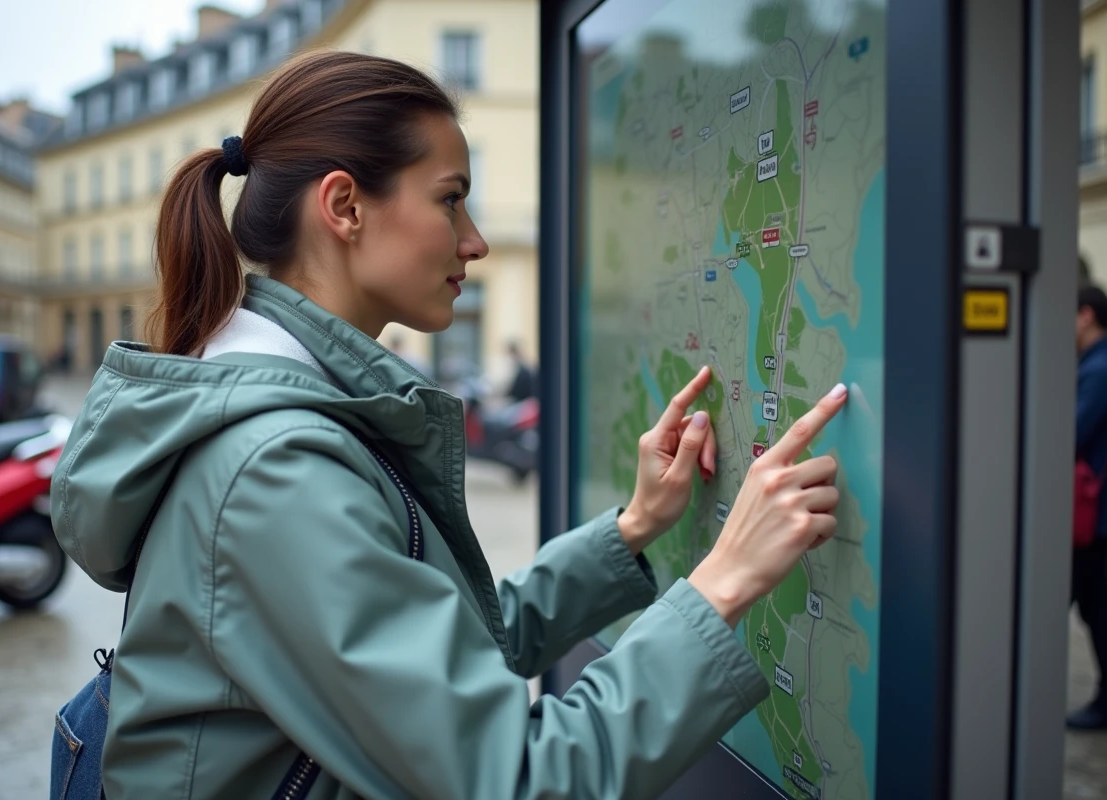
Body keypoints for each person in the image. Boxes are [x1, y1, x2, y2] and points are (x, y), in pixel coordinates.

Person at [51, 50, 848, 799]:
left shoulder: (297, 414)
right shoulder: (273, 468)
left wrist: (634, 527)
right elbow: (516, 777)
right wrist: (726, 580)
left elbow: (451, 650)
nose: (475, 241)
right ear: (344, 206)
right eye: (449, 198)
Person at [1070, 282, 1107, 730]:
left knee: (1098, 609)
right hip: (1092, 516)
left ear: (1085, 315)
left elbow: (1070, 433)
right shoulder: (1092, 365)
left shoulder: (1097, 371)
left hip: (1094, 518)